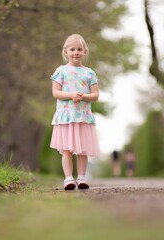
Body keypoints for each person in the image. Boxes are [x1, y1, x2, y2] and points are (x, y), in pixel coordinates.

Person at [50, 34, 100, 190]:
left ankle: (82, 177)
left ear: (85, 51)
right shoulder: (61, 71)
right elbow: (56, 93)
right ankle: (68, 178)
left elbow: (95, 95)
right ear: (66, 51)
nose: (76, 53)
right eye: (72, 49)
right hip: (66, 116)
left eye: (79, 49)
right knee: (66, 150)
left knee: (82, 150)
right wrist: (71, 95)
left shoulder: (89, 73)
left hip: (82, 117)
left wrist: (83, 96)